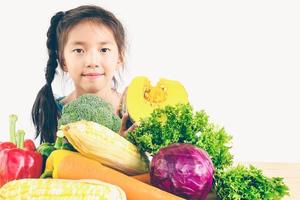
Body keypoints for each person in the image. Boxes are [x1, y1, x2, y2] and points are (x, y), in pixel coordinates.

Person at [32, 5, 133, 144]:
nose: (92, 62)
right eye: (79, 50)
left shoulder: (132, 112)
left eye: (104, 49)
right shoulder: (54, 111)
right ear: (63, 61)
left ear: (119, 57)